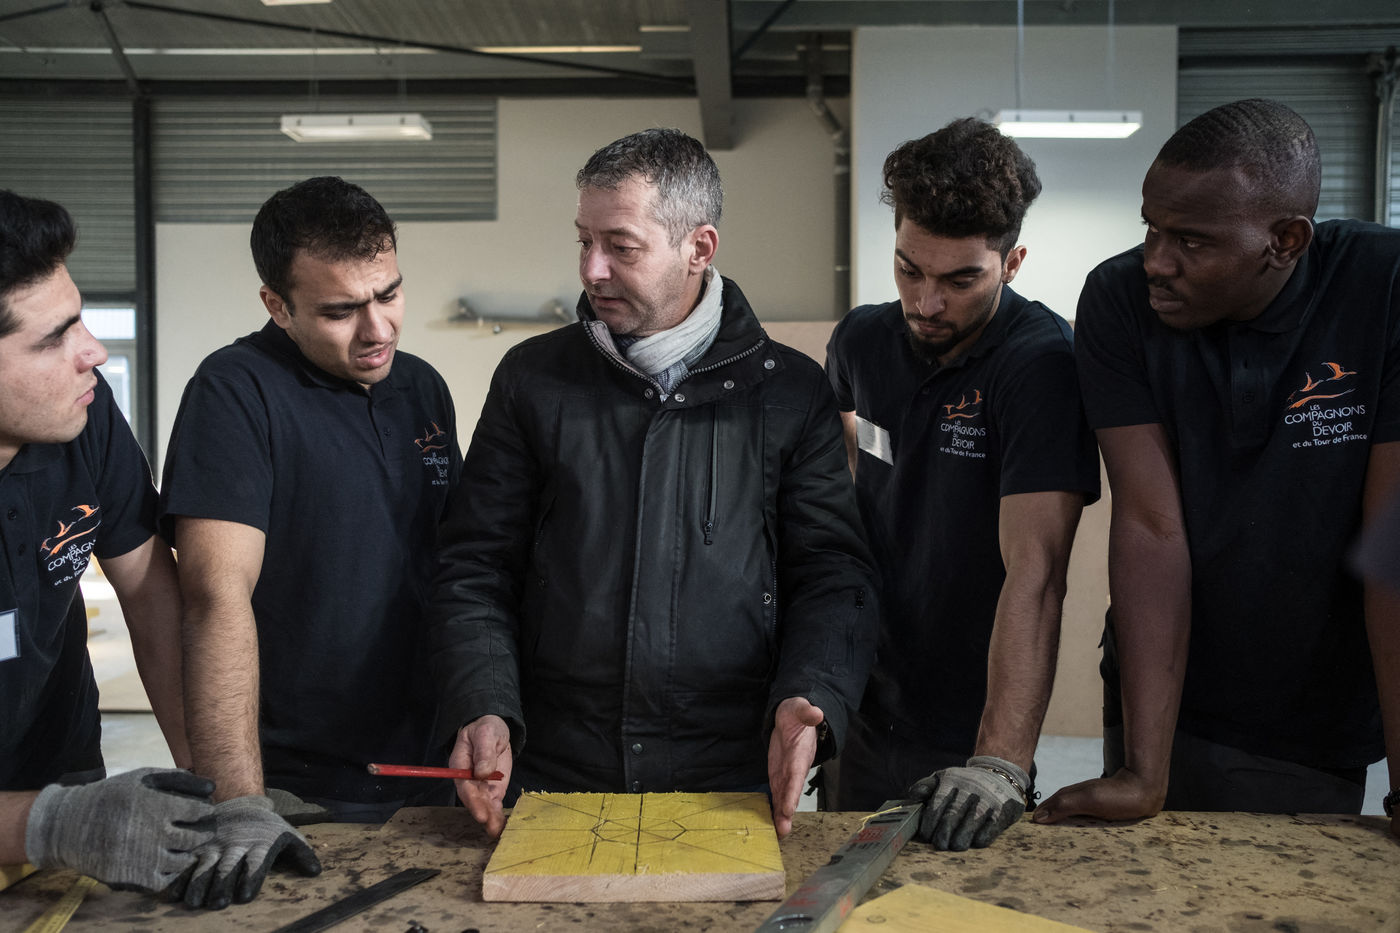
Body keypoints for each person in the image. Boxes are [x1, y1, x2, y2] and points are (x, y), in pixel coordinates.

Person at [428, 128, 879, 839]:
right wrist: (483, 702)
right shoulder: (532, 380)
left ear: (699, 248)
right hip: (554, 769)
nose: (592, 269)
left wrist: (811, 695)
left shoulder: (789, 393)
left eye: (621, 246)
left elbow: (833, 573)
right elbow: (475, 565)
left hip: (727, 776)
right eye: (583, 240)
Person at [1035, 99, 1400, 834]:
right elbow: (1149, 524)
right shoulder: (1119, 299)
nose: (1156, 261)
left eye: (1191, 242)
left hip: (1311, 711)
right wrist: (1143, 769)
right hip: (1160, 688)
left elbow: (1392, 551)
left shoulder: (1381, 286)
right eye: (1151, 228)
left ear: (1285, 240)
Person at [160, 177, 461, 899]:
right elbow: (213, 595)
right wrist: (239, 803)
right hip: (300, 787)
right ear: (277, 304)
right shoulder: (235, 392)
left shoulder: (422, 387)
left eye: (388, 294)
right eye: (340, 311)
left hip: (431, 768)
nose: (378, 329)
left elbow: (456, 566)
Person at [821, 119, 1099, 849]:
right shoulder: (860, 341)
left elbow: (1036, 572)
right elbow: (849, 456)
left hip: (966, 722)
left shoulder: (1040, 368)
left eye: (959, 279)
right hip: (863, 696)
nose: (926, 303)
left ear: (1013, 262)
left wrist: (1000, 761)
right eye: (909, 269)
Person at [0, 189, 214, 895]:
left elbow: (151, 588)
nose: (92, 351)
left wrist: (209, 779)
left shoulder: (82, 419)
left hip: (55, 770)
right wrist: (49, 822)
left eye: (80, 319)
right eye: (53, 337)